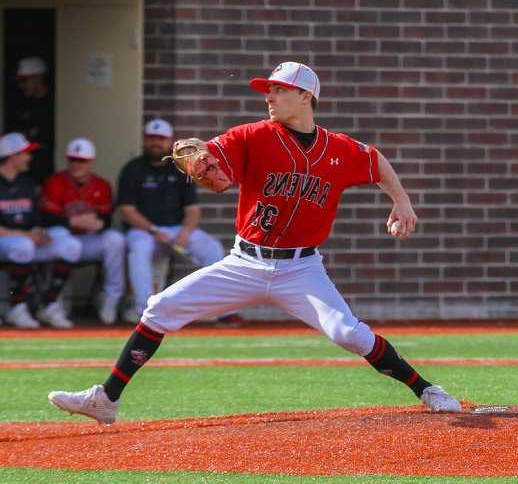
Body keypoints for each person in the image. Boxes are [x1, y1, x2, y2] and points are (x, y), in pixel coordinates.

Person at [48, 62, 461, 423]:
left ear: (305, 96)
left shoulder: (338, 150)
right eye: (269, 90)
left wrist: (401, 202)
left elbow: (375, 161)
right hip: (244, 263)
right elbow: (210, 152)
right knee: (159, 309)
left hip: (301, 268)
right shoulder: (253, 136)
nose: (271, 96)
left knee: (348, 333)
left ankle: (426, 388)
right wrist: (198, 157)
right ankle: (105, 399)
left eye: (280, 90)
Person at [114, 118, 225, 324]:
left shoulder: (181, 168)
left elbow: (193, 210)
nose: (156, 143)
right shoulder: (133, 169)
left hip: (176, 230)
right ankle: (145, 310)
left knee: (212, 247)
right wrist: (154, 230)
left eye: (161, 139)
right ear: (144, 140)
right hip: (145, 231)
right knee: (139, 249)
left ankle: (217, 309)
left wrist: (185, 232)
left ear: (170, 141)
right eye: (151, 138)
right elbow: (126, 210)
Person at [40, 138, 126, 325]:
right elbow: (47, 217)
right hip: (62, 241)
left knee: (116, 239)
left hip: (87, 241)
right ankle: (51, 301)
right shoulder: (55, 181)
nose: (76, 164)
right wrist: (73, 221)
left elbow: (105, 220)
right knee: (63, 237)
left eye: (82, 160)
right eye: (72, 159)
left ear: (91, 162)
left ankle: (110, 298)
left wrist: (95, 224)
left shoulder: (101, 185)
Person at [0, 132, 82, 329]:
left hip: (26, 241)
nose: (29, 157)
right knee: (23, 246)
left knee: (69, 244)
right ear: (13, 156)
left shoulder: (26, 184)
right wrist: (27, 235)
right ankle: (16, 306)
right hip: (8, 241)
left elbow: (36, 218)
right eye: (25, 153)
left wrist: (39, 232)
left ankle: (49, 304)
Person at [8, 57, 55, 184]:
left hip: (45, 170)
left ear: (38, 78)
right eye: (19, 81)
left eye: (24, 80)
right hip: (21, 172)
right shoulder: (20, 104)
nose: (21, 85)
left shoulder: (54, 103)